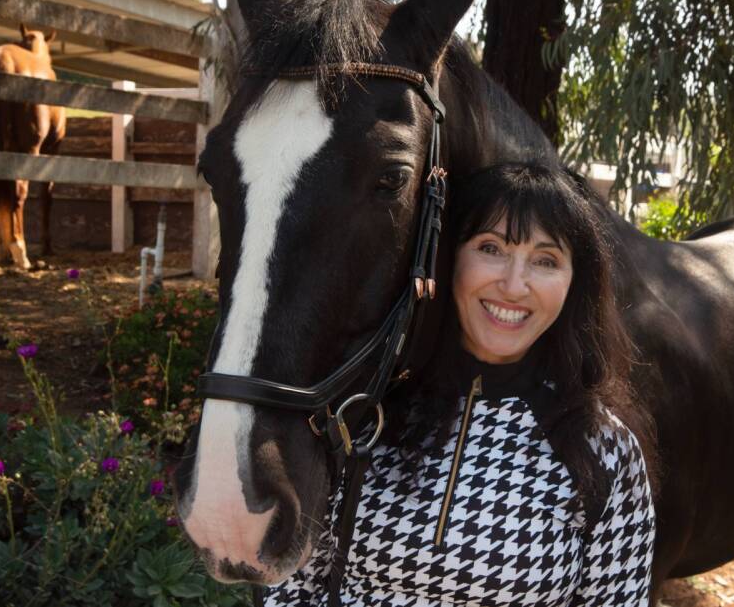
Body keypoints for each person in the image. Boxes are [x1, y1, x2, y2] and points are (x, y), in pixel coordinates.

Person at [264, 163, 657, 607]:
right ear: (450, 259)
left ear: (574, 284)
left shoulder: (603, 448)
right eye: (491, 248)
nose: (513, 285)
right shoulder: (366, 417)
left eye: (546, 260)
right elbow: (291, 583)